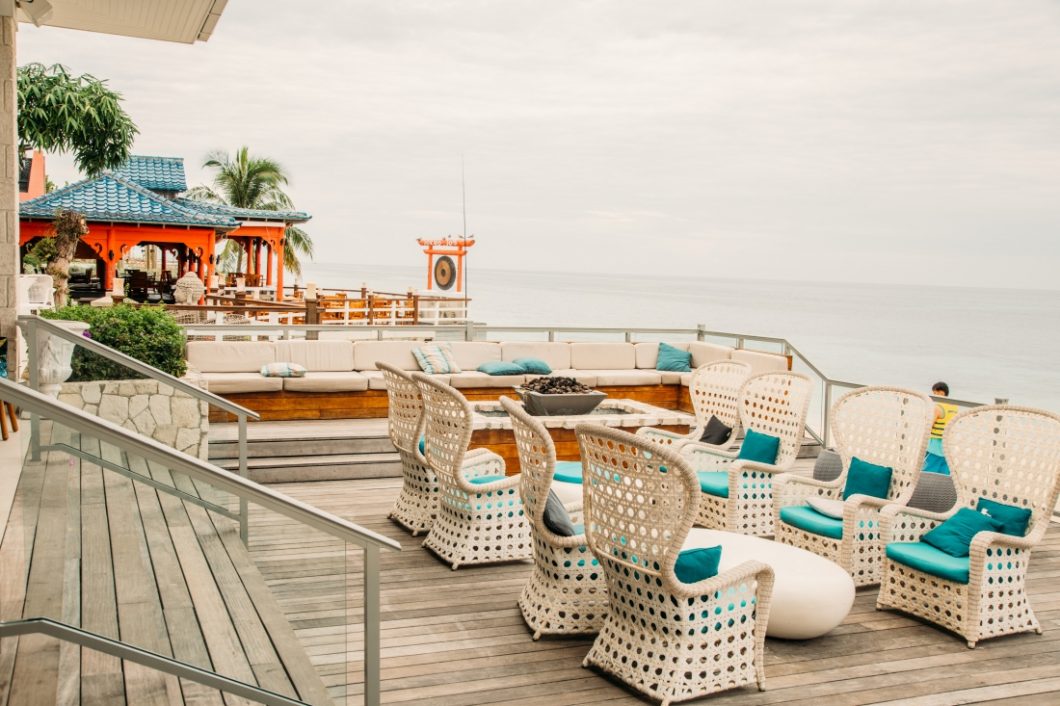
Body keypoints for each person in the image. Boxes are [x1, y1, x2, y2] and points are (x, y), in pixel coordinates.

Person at [924, 381, 958, 474]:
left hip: (934, 447)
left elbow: (929, 425)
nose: (933, 396)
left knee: (927, 472)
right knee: (944, 474)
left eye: (935, 393)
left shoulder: (938, 407)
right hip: (947, 447)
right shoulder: (954, 407)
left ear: (941, 393)